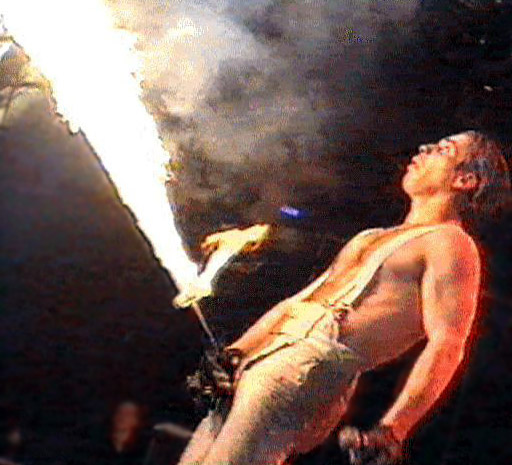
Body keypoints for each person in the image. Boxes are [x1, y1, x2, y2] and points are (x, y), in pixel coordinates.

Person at [177, 130, 510, 465]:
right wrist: (235, 354)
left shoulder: (450, 243)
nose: (424, 149)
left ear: (465, 180)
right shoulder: (371, 237)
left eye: (443, 149)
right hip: (267, 356)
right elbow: (299, 304)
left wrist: (394, 428)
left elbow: (447, 344)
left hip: (307, 366)